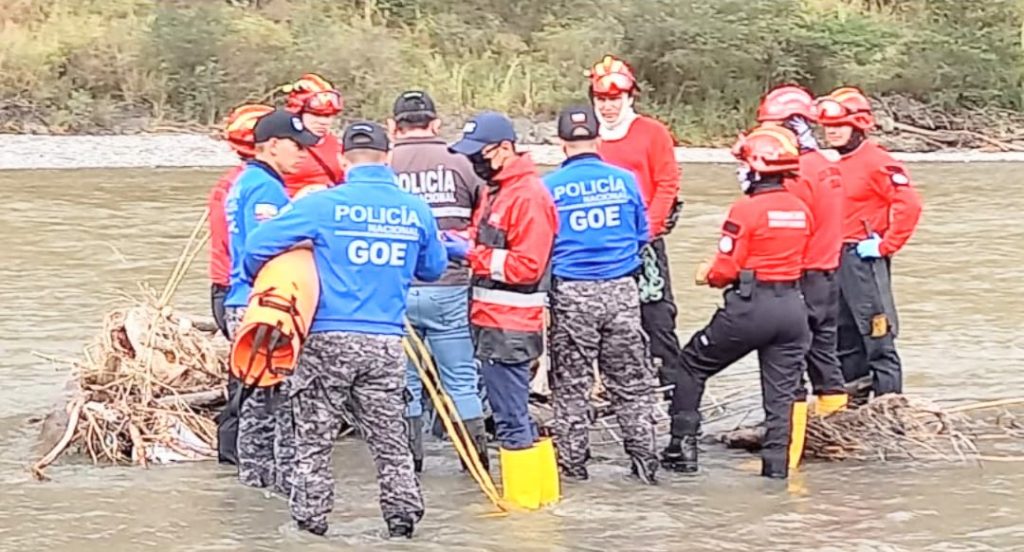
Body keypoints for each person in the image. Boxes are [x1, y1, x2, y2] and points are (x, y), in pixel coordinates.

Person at [241, 121, 450, 538]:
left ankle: (310, 526)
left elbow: (255, 247)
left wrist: (289, 262)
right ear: (387, 158)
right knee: (390, 442)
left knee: (313, 443)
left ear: (342, 160)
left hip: (327, 340)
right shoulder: (415, 209)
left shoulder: (322, 205)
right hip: (386, 340)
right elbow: (434, 268)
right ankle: (403, 523)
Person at [661, 126, 812, 480]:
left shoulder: (746, 210)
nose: (740, 172)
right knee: (780, 397)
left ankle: (682, 450)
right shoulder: (801, 209)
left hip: (750, 307)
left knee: (692, 364)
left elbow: (726, 266)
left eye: (743, 165)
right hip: (792, 308)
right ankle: (776, 470)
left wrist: (710, 274)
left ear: (756, 169)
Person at [542, 105, 658, 483]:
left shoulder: (548, 188)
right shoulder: (625, 181)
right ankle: (645, 466)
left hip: (572, 293)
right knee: (631, 384)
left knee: (571, 386)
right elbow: (643, 234)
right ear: (598, 139)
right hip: (622, 291)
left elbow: (542, 243)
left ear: (562, 144)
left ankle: (573, 469)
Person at [449, 112, 558, 493]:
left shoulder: (527, 195)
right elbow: (490, 240)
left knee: (511, 418)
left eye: (480, 154)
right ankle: (540, 498)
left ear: (506, 149)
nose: (474, 162)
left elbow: (527, 266)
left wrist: (470, 255)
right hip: (493, 321)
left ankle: (525, 506)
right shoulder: (498, 190)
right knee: (514, 415)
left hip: (511, 325)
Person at [386, 90, 488, 473]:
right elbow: (486, 216)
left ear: (394, 127)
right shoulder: (462, 162)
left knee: (406, 380)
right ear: (436, 124)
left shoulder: (386, 165)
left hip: (397, 289)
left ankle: (411, 467)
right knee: (461, 378)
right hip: (450, 284)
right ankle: (474, 466)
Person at [223, 109, 319, 492]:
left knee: (256, 399)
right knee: (279, 399)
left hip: (241, 299)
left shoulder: (247, 181)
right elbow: (269, 243)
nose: (303, 154)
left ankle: (252, 484)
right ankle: (280, 486)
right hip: (263, 304)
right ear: (273, 145)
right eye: (296, 146)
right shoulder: (266, 189)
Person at [815, 86, 923, 399]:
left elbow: (909, 204)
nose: (832, 133)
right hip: (835, 257)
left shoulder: (878, 162)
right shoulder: (835, 163)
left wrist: (885, 245)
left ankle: (890, 406)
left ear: (859, 125)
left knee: (877, 334)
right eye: (828, 127)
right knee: (843, 335)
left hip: (863, 257)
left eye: (839, 127)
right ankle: (855, 406)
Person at [586, 55, 683, 388]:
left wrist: (648, 230)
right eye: (602, 99)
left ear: (629, 98)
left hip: (644, 241)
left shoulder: (652, 133)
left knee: (657, 316)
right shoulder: (586, 136)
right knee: (602, 319)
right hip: (597, 245)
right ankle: (615, 385)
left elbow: (668, 183)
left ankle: (673, 386)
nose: (608, 107)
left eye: (615, 99)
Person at [755, 85, 849, 418]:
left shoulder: (795, 173)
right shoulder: (826, 165)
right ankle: (835, 436)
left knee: (788, 368)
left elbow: (783, 227)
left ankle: (787, 460)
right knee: (825, 360)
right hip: (827, 274)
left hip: (799, 277)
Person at [208, 102, 274, 466]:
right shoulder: (257, 187)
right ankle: (239, 457)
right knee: (251, 382)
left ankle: (236, 457)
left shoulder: (234, 183)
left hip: (226, 287)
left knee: (245, 377)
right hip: (241, 290)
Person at [281, 73, 344, 198]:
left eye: (328, 116)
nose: (324, 122)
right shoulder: (281, 145)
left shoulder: (336, 144)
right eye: (316, 115)